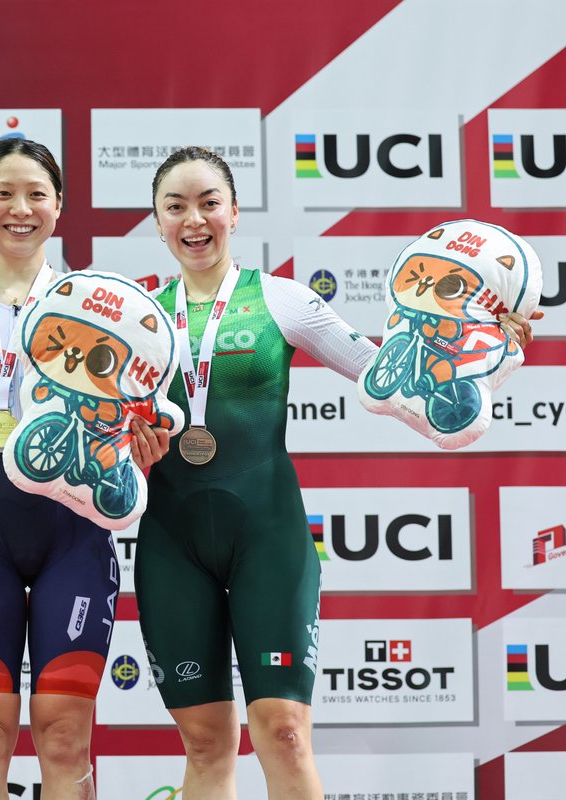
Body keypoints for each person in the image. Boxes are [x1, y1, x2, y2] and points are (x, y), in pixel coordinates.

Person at [134, 146, 537, 800]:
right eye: (176, 207)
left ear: (234, 211)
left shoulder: (284, 300)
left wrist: (491, 363)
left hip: (268, 536)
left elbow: (399, 394)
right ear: (157, 222)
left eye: (209, 202)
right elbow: (109, 443)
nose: (195, 219)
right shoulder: (137, 319)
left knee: (284, 730)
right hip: (170, 541)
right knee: (206, 743)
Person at [0, 137, 169, 799]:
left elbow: (139, 416)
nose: (21, 209)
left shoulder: (103, 305)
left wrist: (144, 449)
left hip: (74, 536)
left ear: (60, 206)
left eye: (36, 194)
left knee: (66, 734)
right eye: (4, 194)